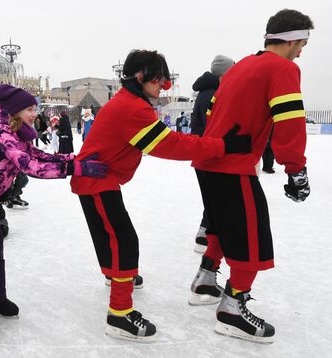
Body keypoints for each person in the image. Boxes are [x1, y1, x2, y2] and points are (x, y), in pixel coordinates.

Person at [70, 49, 252, 342]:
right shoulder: (133, 107)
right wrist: (221, 146)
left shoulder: (129, 101)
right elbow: (168, 145)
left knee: (111, 236)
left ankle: (115, 274)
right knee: (123, 240)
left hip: (97, 179)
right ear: (141, 77)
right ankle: (119, 313)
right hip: (97, 181)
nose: (163, 85)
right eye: (158, 80)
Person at [0, 84, 107, 341]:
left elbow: (38, 155)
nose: (34, 113)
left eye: (34, 108)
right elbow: (30, 166)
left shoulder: (18, 133)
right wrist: (77, 169)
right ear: (15, 110)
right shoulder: (1, 133)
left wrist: (74, 161)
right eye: (30, 109)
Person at [188, 9, 313, 344]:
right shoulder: (284, 68)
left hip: (208, 160)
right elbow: (289, 120)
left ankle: (205, 279)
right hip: (233, 165)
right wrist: (295, 168)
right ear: (293, 39)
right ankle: (232, 307)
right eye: (302, 43)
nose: (301, 51)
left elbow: (212, 111)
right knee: (251, 238)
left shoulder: (242, 66)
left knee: (219, 224)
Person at [190, 55, 235, 253]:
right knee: (216, 196)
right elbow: (214, 125)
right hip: (209, 152)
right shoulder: (212, 93)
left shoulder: (207, 91)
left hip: (205, 151)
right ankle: (206, 234)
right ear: (224, 72)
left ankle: (205, 231)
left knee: (214, 196)